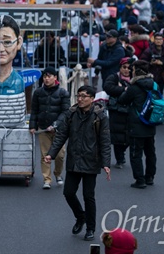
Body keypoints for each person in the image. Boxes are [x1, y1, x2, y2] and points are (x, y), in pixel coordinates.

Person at [45, 85, 111, 242]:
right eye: (78, 95)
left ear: (92, 98)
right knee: (68, 193)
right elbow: (61, 135)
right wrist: (51, 154)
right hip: (74, 160)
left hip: (91, 161)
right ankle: (80, 216)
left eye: (84, 96)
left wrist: (106, 163)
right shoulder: (71, 114)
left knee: (88, 196)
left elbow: (105, 141)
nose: (80, 99)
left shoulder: (100, 116)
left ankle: (90, 229)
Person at [117, 60, 158, 189]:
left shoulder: (134, 87)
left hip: (136, 124)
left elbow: (122, 100)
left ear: (137, 71)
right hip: (151, 123)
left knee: (136, 154)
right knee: (150, 152)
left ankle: (140, 180)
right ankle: (150, 177)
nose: (130, 71)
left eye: (132, 69)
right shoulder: (154, 84)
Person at [29, 66, 70, 189]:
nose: (46, 79)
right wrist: (32, 126)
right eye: (45, 77)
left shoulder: (63, 93)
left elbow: (65, 112)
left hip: (59, 130)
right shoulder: (38, 93)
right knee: (45, 154)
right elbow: (34, 110)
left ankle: (58, 174)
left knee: (60, 155)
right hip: (43, 128)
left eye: (49, 76)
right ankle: (47, 179)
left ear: (55, 78)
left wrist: (55, 125)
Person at [104, 57, 132, 169]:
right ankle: (120, 159)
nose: (126, 70)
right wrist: (123, 90)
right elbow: (108, 87)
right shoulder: (114, 77)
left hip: (130, 110)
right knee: (117, 137)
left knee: (130, 135)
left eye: (129, 68)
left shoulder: (134, 78)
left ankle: (122, 152)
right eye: (124, 67)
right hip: (116, 110)